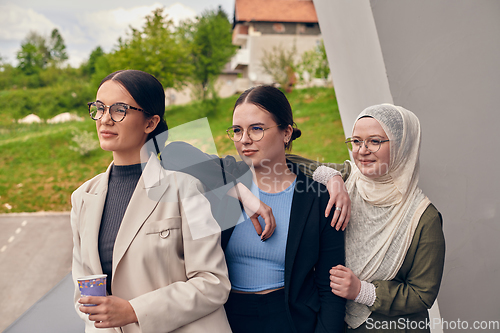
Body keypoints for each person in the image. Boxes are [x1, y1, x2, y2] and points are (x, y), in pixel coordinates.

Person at [70, 69, 233, 333]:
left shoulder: (186, 189)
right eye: (99, 108)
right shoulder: (82, 198)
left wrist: (134, 311)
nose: (105, 120)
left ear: (150, 123)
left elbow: (213, 282)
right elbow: (82, 292)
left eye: (119, 109)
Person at [295, 104, 446, 332]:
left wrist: (362, 291)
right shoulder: (348, 179)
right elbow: (285, 162)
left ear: (401, 146)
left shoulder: (423, 218)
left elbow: (422, 294)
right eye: (356, 141)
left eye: (374, 141)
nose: (362, 151)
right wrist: (333, 178)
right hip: (333, 322)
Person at [217, 85, 346, 333]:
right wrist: (241, 191)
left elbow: (331, 288)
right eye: (237, 130)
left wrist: (333, 176)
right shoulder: (223, 188)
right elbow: (168, 152)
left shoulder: (318, 198)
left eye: (256, 129)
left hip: (289, 319)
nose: (244, 139)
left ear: (286, 132)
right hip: (226, 320)